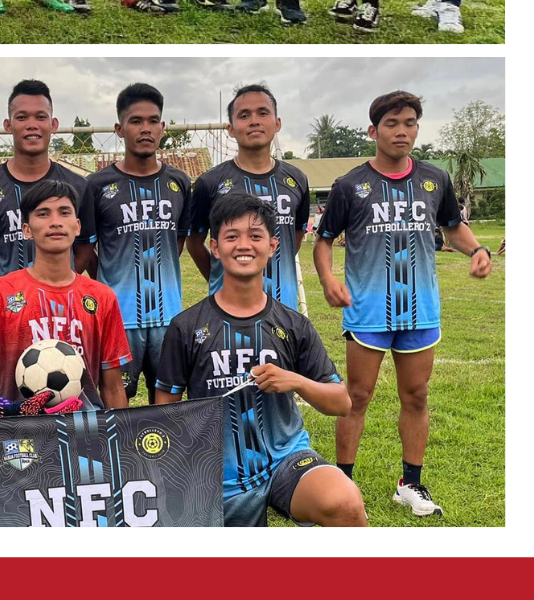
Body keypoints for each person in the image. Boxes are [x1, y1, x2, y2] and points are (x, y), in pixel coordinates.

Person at [315, 88, 493, 517]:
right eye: (392, 124)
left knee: (415, 395)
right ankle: (345, 485)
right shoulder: (350, 185)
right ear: (374, 130)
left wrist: (477, 251)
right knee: (356, 397)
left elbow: (453, 226)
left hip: (420, 310)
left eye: (409, 123)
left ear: (417, 128)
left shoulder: (435, 179)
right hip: (369, 310)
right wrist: (328, 278)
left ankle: (410, 483)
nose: (402, 131)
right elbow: (323, 240)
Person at [155, 194, 364, 526]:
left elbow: (341, 403)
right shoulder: (186, 327)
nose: (244, 245)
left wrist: (294, 381)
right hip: (215, 472)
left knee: (345, 503)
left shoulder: (293, 325)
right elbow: (165, 414)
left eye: (255, 236)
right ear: (215, 247)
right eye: (232, 235)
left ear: (273, 245)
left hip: (285, 459)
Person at [0, 180, 129, 415]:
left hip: (85, 434)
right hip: (22, 438)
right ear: (27, 230)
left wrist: (120, 441)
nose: (55, 222)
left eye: (64, 212)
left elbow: (113, 388)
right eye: (43, 214)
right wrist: (5, 407)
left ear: (78, 226)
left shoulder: (102, 298)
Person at [84, 84, 191, 398]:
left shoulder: (179, 182)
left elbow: (178, 241)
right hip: (118, 318)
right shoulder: (97, 186)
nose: (145, 128)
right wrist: (109, 281)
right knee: (116, 403)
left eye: (152, 120)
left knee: (169, 403)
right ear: (119, 129)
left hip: (169, 318)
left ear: (163, 127)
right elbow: (88, 248)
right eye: (136, 121)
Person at [186, 84, 311, 311]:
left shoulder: (297, 179)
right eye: (244, 115)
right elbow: (194, 242)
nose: (254, 121)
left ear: (277, 123)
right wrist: (219, 277)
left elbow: (295, 238)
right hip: (228, 308)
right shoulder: (210, 182)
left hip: (285, 308)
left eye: (263, 113)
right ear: (231, 129)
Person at [0, 81, 91, 300]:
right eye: (22, 117)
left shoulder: (78, 186)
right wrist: (3, 292)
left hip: (60, 306)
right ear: (8, 125)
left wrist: (57, 286)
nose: (32, 125)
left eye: (41, 117)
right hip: (7, 307)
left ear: (54, 124)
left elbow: (84, 249)